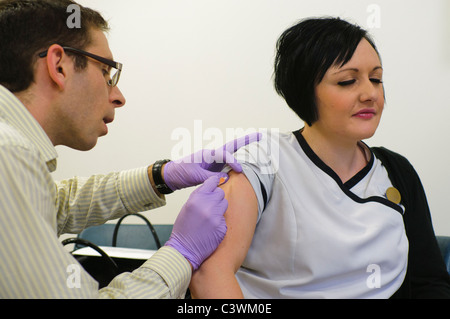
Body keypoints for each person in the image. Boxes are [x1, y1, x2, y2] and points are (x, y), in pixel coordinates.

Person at [0, 0, 260, 298]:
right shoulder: (8, 155)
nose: (119, 97)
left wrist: (162, 176)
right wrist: (181, 253)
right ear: (59, 66)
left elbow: (57, 205)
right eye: (106, 73)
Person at [189, 17, 450, 299]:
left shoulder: (396, 171)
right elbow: (209, 275)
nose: (370, 93)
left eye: (376, 79)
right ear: (304, 90)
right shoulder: (262, 163)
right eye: (348, 81)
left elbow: (429, 283)